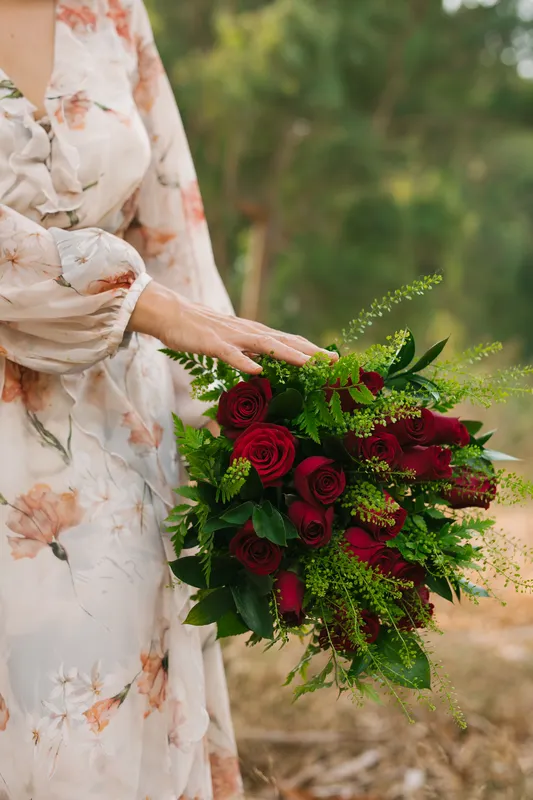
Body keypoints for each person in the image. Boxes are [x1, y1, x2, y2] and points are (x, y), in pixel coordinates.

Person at [0, 1, 333, 798]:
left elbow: (175, 234)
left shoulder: (112, 13)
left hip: (118, 439)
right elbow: (159, 296)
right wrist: (134, 300)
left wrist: (268, 444)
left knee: (107, 734)